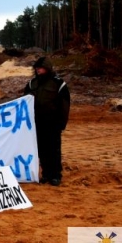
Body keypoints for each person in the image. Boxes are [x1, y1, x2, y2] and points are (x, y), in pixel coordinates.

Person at [23, 56, 70, 186]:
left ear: (47, 68)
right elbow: (23, 102)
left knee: (53, 150)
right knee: (41, 150)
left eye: (41, 68)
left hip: (52, 123)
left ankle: (55, 176)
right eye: (37, 68)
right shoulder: (32, 83)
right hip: (36, 123)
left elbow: (64, 105)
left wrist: (61, 123)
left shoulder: (59, 84)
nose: (38, 70)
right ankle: (46, 174)